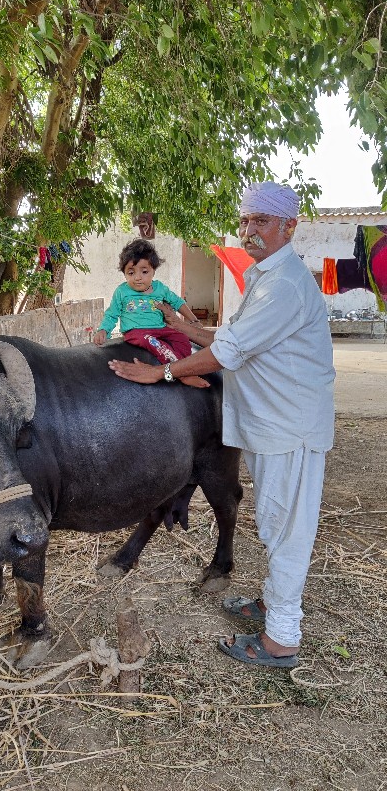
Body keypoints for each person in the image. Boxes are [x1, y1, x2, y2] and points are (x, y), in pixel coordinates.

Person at [108, 181, 335, 668]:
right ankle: (273, 608)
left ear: (289, 227)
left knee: (286, 529)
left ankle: (280, 642)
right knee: (275, 522)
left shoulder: (284, 285)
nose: (250, 230)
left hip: (288, 424)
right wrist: (181, 325)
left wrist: (162, 371)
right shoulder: (264, 278)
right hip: (269, 421)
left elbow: (228, 352)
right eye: (246, 220)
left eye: (263, 221)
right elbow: (229, 336)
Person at [94, 238, 210, 388]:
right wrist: (103, 330)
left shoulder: (160, 288)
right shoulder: (122, 292)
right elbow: (112, 314)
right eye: (131, 272)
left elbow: (178, 302)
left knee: (181, 338)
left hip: (161, 328)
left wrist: (193, 320)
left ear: (153, 271)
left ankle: (186, 365)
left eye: (144, 271)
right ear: (124, 273)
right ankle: (183, 375)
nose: (137, 277)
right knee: (155, 343)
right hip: (137, 333)